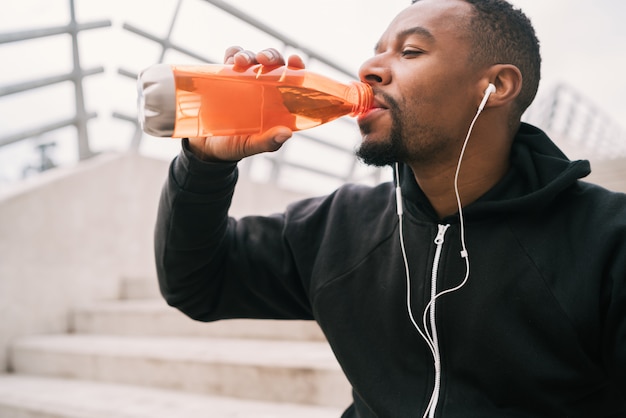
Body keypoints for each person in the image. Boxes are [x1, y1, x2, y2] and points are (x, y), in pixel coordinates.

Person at [154, 0, 626, 416]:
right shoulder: (337, 226)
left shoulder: (607, 241)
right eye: (376, 50)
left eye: (411, 51)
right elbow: (197, 284)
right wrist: (205, 163)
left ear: (495, 86)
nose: (369, 69)